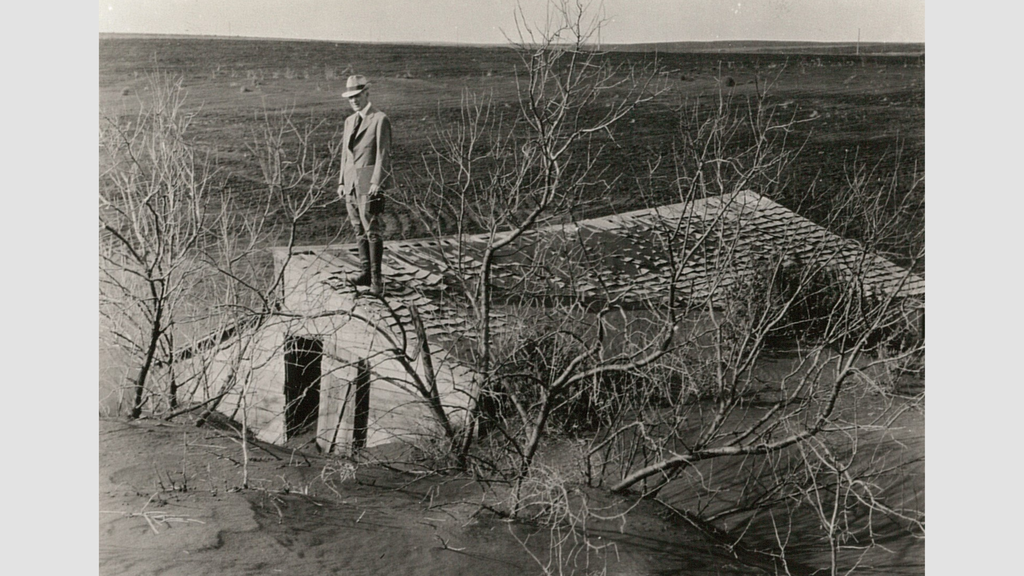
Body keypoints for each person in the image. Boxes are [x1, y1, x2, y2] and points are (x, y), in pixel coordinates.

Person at [338, 74, 392, 296]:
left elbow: (383, 154)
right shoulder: (349, 121)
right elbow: (345, 155)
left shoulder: (379, 119)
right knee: (357, 228)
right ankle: (365, 273)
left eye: (357, 96)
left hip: (369, 182)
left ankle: (377, 282)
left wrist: (377, 182)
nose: (354, 101)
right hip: (350, 182)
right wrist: (341, 181)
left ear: (367, 94)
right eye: (350, 97)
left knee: (372, 230)